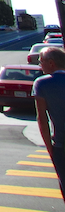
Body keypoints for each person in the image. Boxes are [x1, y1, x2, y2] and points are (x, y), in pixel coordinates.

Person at [34, 46, 65, 202]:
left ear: (51, 63)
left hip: (61, 145)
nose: (40, 65)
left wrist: (50, 149)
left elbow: (42, 119)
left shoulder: (42, 84)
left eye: (41, 62)